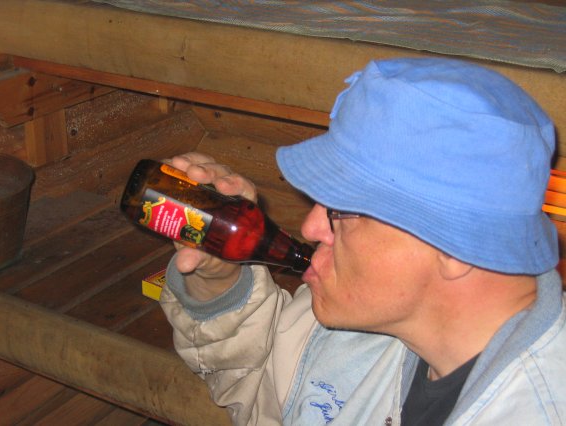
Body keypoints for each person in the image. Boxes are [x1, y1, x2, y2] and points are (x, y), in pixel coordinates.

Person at [159, 58, 566, 425]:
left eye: (343, 208)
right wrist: (220, 280)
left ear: (456, 246)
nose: (310, 228)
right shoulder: (372, 310)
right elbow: (268, 390)